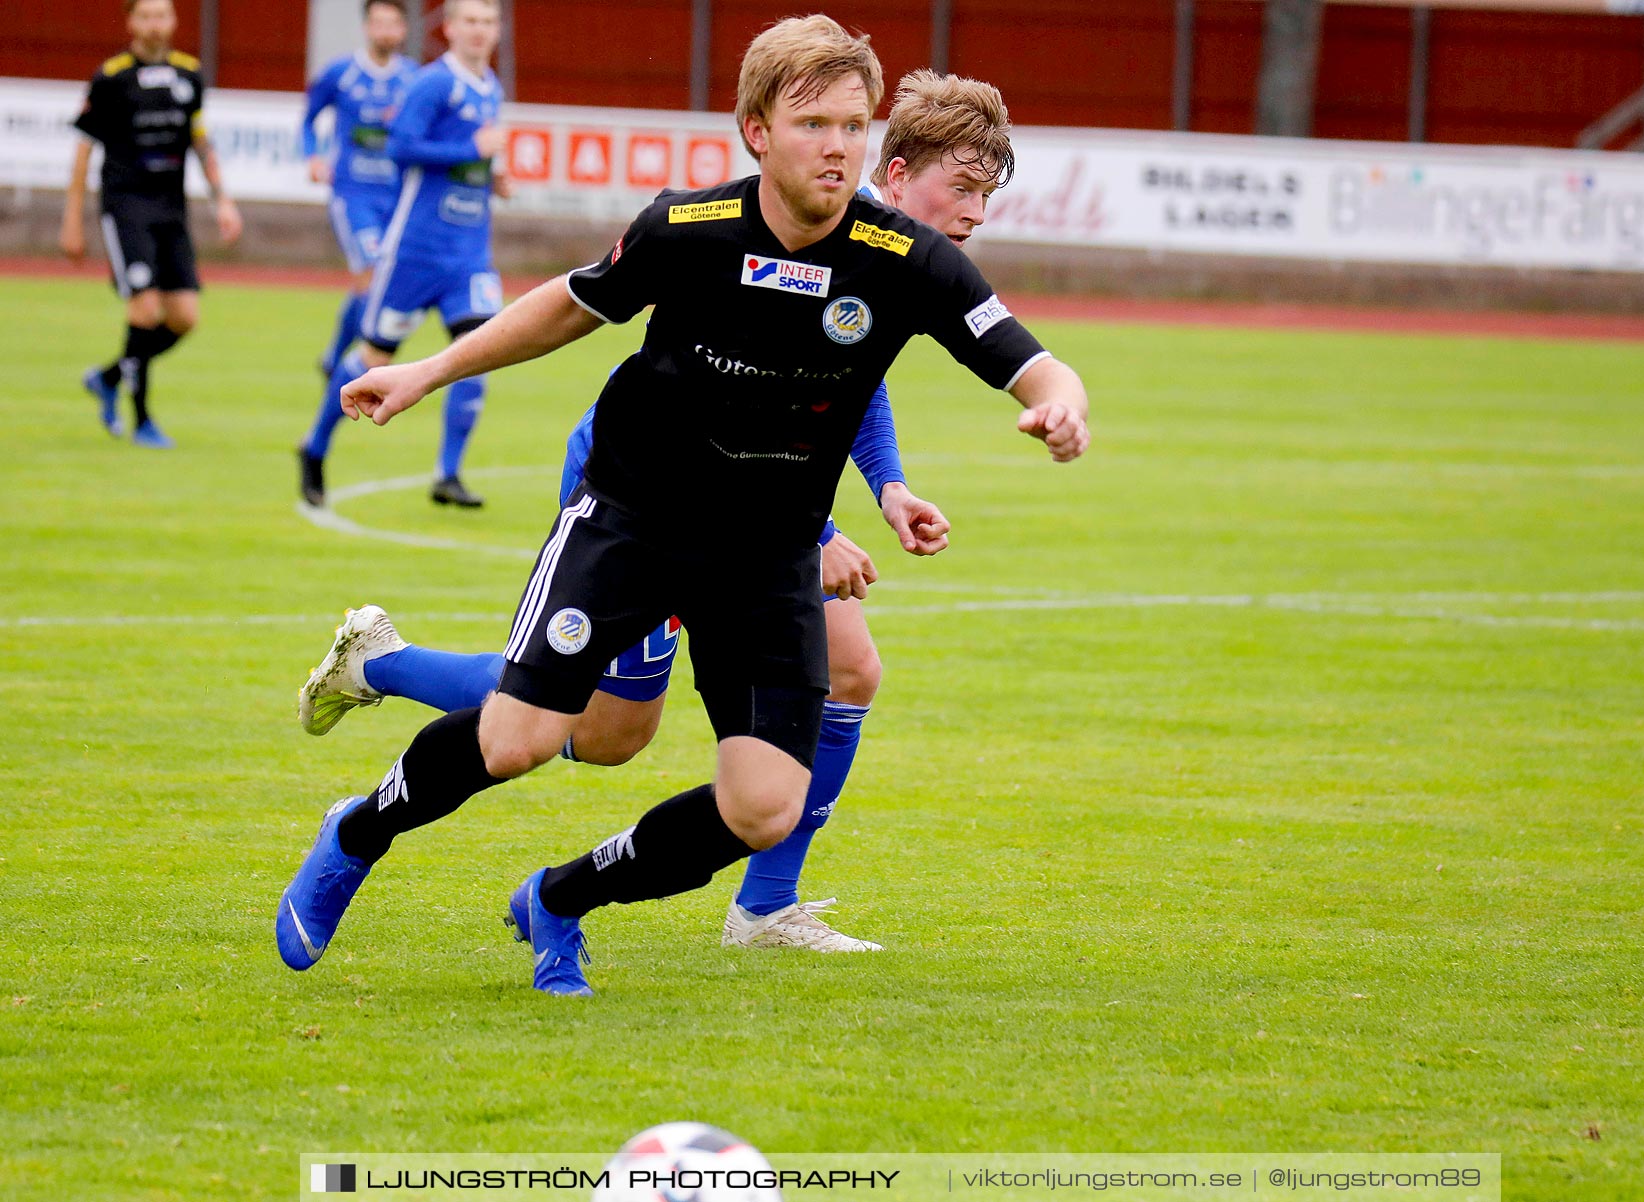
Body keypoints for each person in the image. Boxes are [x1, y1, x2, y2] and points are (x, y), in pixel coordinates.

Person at [274, 16, 1088, 998]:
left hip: (765, 558)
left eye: (853, 125)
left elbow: (1018, 351)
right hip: (633, 522)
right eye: (814, 122)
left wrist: (1057, 399)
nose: (837, 146)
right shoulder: (687, 230)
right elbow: (568, 304)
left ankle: (561, 898)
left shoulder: (905, 257)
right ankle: (355, 831)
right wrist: (431, 370)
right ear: (755, 130)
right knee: (519, 740)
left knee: (763, 806)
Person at [313, 0, 510, 508]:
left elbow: (475, 154)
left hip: (469, 254)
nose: (479, 31)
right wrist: (473, 152)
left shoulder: (491, 86)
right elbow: (400, 147)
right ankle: (315, 446)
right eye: (469, 21)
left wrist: (493, 175)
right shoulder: (432, 83)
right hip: (415, 254)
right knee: (373, 357)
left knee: (477, 354)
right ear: (448, 28)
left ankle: (448, 475)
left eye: (488, 22)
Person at [63, 0, 242, 448]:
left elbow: (199, 140)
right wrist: (72, 220)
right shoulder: (111, 77)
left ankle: (107, 377)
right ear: (130, 22)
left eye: (161, 15)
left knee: (184, 318)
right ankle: (141, 419)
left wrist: (223, 200)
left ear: (174, 21)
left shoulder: (189, 74)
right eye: (145, 16)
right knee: (145, 310)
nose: (154, 25)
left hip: (171, 209)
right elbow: (83, 152)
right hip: (126, 207)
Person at [295, 0, 417, 507]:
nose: (386, 30)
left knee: (373, 297)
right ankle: (342, 369)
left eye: (394, 22)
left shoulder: (414, 79)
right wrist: (313, 157)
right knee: (370, 277)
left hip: (401, 204)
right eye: (379, 21)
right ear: (367, 27)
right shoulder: (341, 74)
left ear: (404, 30)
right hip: (356, 198)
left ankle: (334, 356)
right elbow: (309, 119)